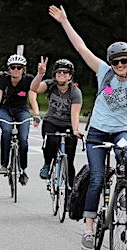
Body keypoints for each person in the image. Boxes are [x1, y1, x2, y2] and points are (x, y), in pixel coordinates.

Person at [48, 5, 127, 250]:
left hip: (120, 131)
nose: (120, 65)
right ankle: (89, 228)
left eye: (123, 61)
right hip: (97, 133)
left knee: (125, 156)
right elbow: (81, 48)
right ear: (110, 63)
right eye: (115, 62)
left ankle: (121, 191)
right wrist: (65, 22)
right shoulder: (104, 73)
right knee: (97, 178)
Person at [30, 58, 84, 190]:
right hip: (51, 122)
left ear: (70, 75)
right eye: (59, 72)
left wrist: (75, 130)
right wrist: (40, 74)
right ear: (54, 74)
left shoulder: (75, 92)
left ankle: (72, 190)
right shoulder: (50, 85)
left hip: (68, 124)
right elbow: (34, 88)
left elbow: (75, 114)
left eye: (65, 72)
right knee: (51, 142)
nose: (62, 74)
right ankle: (47, 163)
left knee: (69, 160)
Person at [0, 54, 40, 186]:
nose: (16, 70)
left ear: (24, 69)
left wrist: (36, 114)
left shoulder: (28, 79)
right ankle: (4, 164)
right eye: (13, 67)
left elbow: (32, 98)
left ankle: (23, 169)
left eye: (19, 67)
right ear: (9, 68)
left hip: (22, 110)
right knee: (6, 131)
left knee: (23, 139)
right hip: (5, 109)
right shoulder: (3, 79)